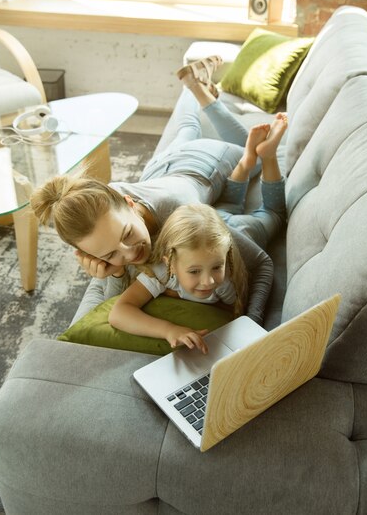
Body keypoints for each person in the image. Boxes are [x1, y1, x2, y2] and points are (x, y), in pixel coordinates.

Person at [30, 56, 286, 326]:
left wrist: (250, 327)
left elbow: (260, 263)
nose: (128, 255)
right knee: (187, 127)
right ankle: (192, 84)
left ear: (129, 204)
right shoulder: (102, 206)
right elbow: (114, 307)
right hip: (160, 169)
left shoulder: (180, 216)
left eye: (128, 234)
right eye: (110, 255)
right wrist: (113, 273)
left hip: (203, 165)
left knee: (256, 154)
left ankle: (201, 92)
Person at [107, 116, 287, 354]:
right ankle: (247, 160)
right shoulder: (162, 274)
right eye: (194, 271)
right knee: (227, 206)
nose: (209, 281)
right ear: (169, 263)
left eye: (216, 268)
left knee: (274, 213)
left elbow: (233, 308)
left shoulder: (226, 279)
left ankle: (268, 156)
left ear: (226, 258)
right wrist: (170, 329)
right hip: (211, 224)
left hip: (243, 230)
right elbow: (119, 313)